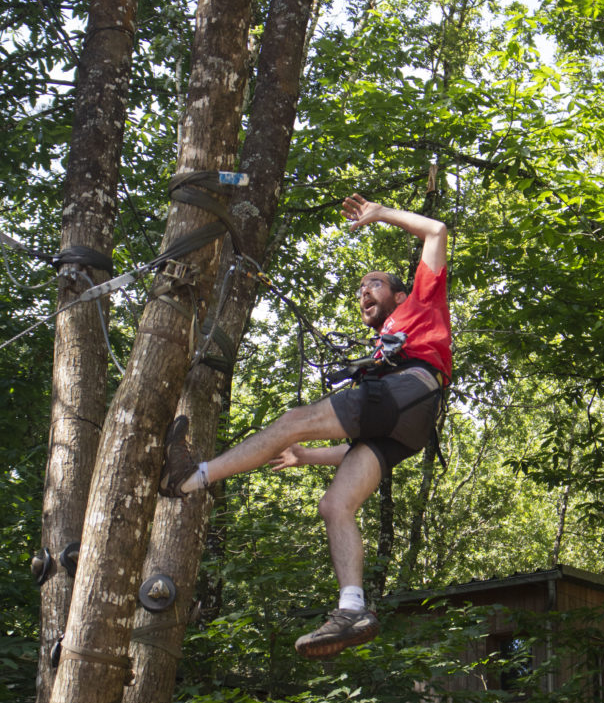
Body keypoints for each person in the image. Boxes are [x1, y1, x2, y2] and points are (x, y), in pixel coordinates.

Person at [159, 193, 452, 658]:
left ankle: (191, 477)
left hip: (413, 389)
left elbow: (435, 231)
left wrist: (379, 214)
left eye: (374, 283)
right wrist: (304, 455)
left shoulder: (421, 304)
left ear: (400, 293)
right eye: (360, 288)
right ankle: (353, 608)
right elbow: (362, 441)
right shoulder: (383, 354)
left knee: (296, 419)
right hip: (406, 423)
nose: (364, 291)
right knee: (335, 504)